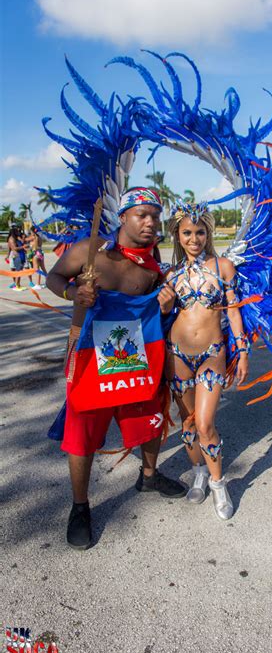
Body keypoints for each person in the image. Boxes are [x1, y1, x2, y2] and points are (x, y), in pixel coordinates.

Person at [46, 187, 186, 550]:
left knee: (151, 414)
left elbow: (155, 311)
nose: (150, 222)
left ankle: (150, 476)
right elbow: (54, 277)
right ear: (122, 217)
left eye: (155, 216)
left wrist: (166, 307)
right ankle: (80, 507)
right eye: (142, 214)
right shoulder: (89, 251)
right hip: (90, 357)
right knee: (82, 432)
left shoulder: (153, 266)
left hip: (132, 355)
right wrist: (72, 294)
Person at [159, 201, 249, 520]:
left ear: (208, 233)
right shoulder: (170, 274)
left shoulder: (223, 266)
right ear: (177, 236)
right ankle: (197, 471)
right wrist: (165, 306)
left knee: (205, 423)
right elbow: (164, 315)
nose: (194, 238)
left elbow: (234, 310)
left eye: (199, 232)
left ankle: (218, 483)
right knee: (187, 425)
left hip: (212, 353)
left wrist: (242, 351)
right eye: (187, 232)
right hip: (178, 354)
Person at [7, 226, 27, 291]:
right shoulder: (12, 239)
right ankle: (17, 286)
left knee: (19, 271)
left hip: (18, 256)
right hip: (16, 256)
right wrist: (23, 247)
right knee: (18, 271)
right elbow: (14, 248)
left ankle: (18, 284)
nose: (18, 232)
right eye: (16, 231)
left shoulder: (15, 238)